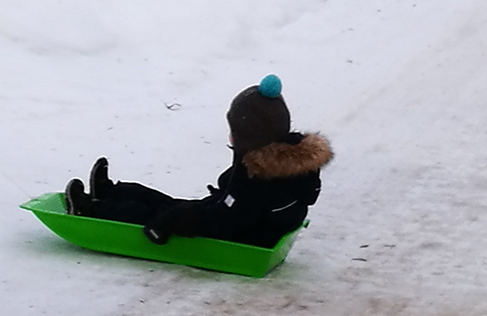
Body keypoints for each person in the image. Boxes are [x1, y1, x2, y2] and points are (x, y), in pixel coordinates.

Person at [62, 75, 331, 247]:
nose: (230, 136)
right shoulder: (278, 160)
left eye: (235, 132)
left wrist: (180, 221)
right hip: (245, 220)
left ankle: (92, 211)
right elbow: (235, 202)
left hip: (244, 236)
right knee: (171, 205)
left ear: (250, 138)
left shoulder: (261, 179)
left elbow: (227, 221)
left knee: (160, 215)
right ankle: (112, 192)